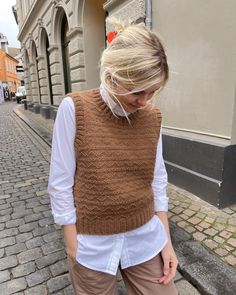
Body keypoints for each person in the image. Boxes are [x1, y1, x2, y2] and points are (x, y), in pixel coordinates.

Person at [48, 18, 178, 295]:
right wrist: (73, 246)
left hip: (145, 238)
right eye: (138, 90)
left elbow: (157, 180)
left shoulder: (153, 117)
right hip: (92, 245)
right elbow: (60, 183)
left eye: (153, 91)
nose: (144, 100)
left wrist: (166, 242)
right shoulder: (75, 109)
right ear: (113, 75)